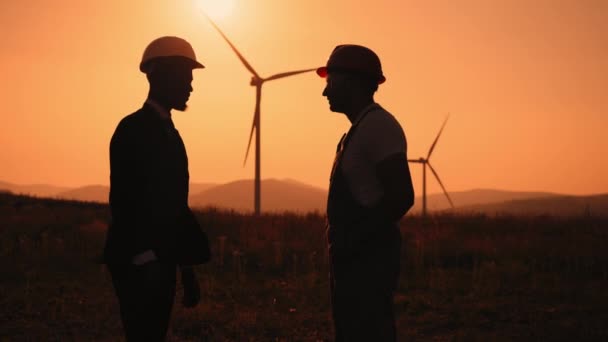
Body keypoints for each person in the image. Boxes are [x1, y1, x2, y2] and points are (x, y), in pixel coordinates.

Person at [103, 36, 210, 341]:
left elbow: (175, 205)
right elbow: (126, 202)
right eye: (185, 77)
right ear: (160, 75)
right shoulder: (133, 129)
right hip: (141, 265)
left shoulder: (168, 133)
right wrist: (145, 258)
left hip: (161, 263)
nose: (190, 85)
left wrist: (186, 268)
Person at [317, 44, 415, 341]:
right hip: (354, 262)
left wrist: (355, 240)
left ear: (352, 82)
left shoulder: (378, 127)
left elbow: (401, 196)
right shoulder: (356, 131)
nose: (325, 92)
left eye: (330, 82)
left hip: (367, 264)